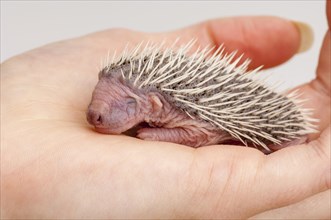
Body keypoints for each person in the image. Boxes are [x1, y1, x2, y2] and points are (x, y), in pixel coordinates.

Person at [1, 2, 330, 219]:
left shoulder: (187, 108)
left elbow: (202, 132)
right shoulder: (137, 94)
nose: (95, 115)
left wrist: (160, 134)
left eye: (126, 105)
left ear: (155, 104)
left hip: (275, 125)